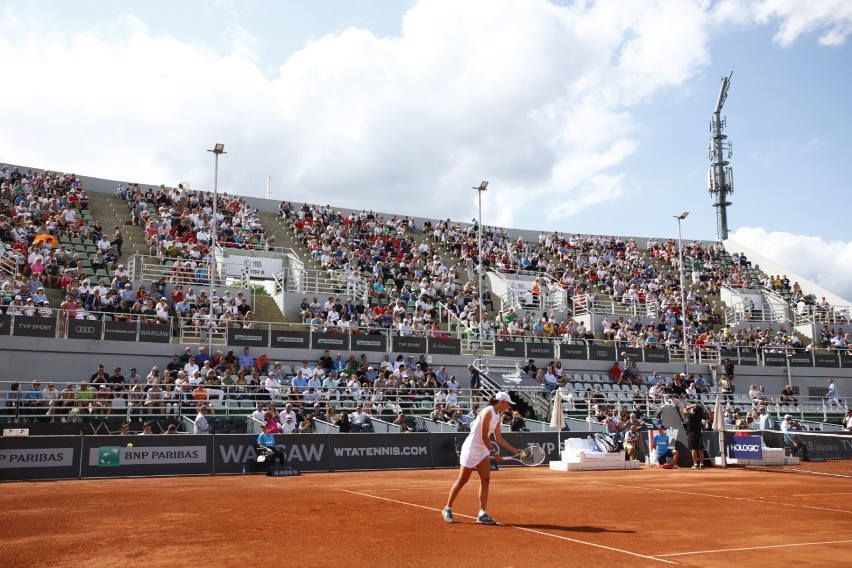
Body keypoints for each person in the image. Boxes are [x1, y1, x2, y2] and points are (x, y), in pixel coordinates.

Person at [442, 392, 521, 525]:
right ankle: (447, 508)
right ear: (501, 402)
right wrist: (494, 453)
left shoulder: (498, 416)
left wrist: (514, 450)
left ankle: (482, 513)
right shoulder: (487, 412)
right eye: (507, 403)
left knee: (486, 479)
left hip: (483, 450)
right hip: (472, 448)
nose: (509, 406)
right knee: (462, 480)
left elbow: (498, 438)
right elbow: (484, 435)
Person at [684, 403, 707, 469]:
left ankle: (696, 464)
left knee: (694, 449)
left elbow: (685, 409)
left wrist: (693, 405)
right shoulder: (700, 415)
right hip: (699, 433)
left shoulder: (690, 415)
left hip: (691, 434)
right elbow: (705, 416)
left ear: (694, 410)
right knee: (700, 449)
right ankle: (702, 464)